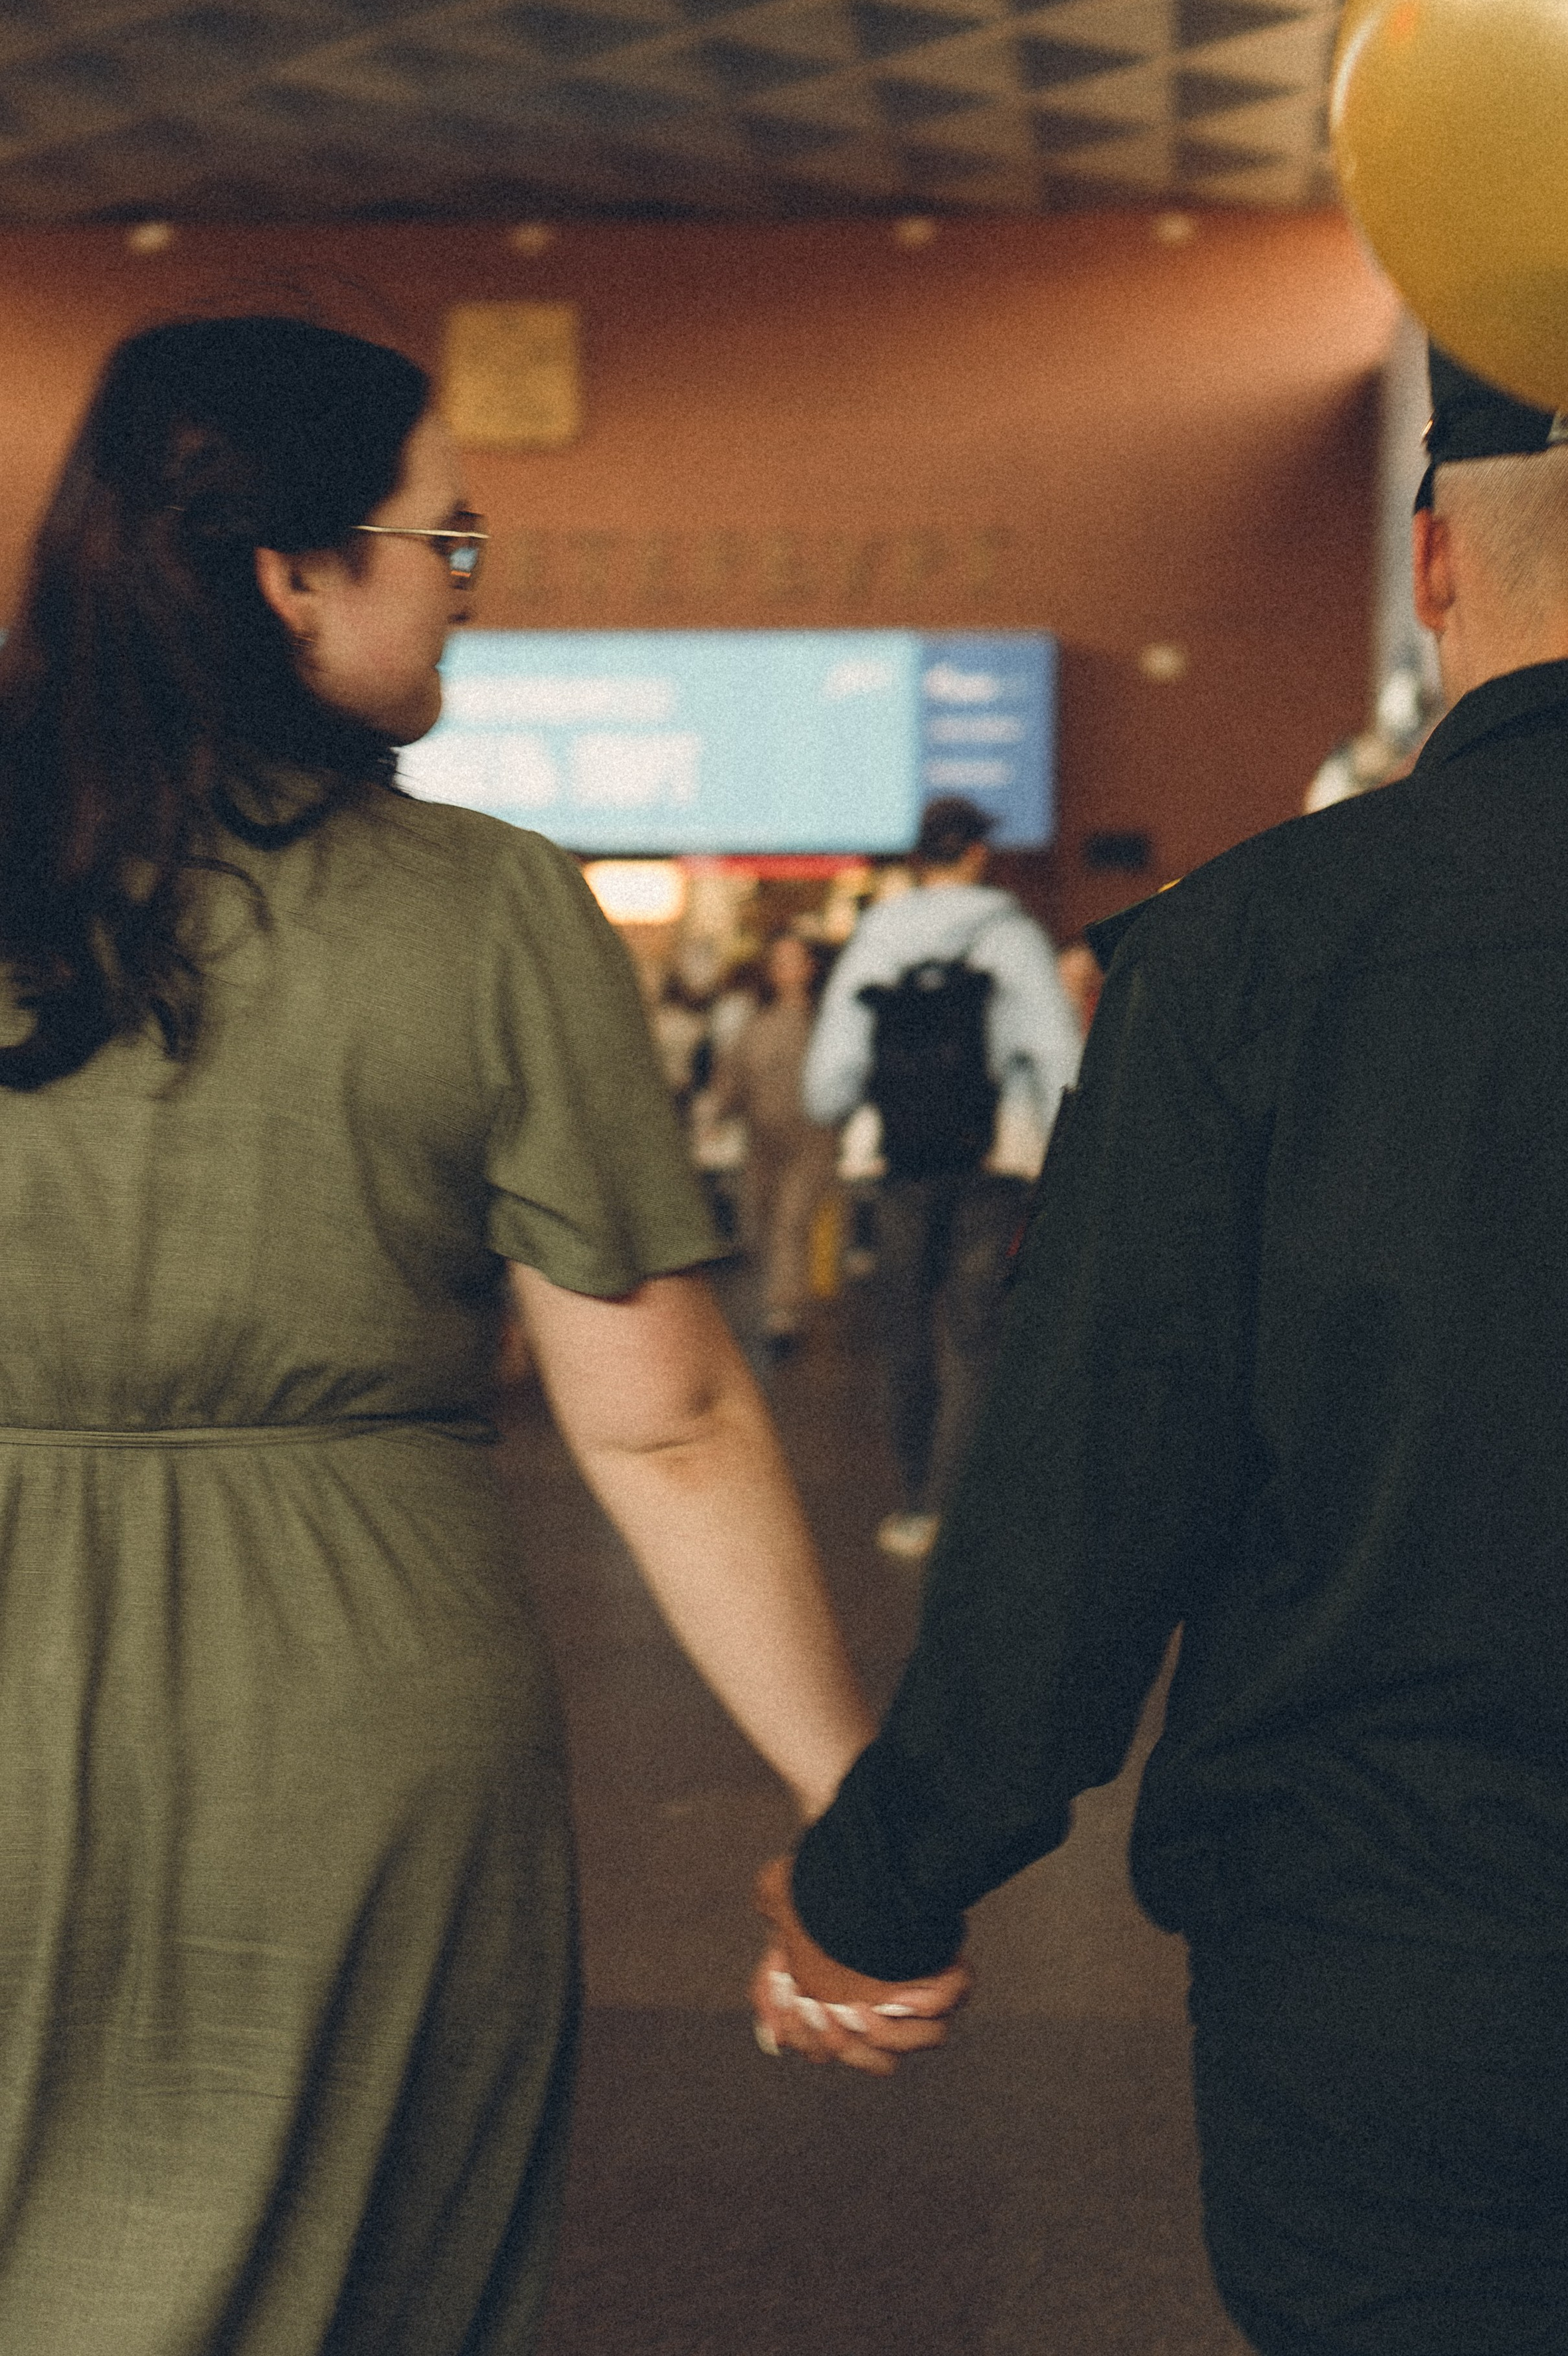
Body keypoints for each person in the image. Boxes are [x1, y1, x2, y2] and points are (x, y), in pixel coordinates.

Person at [753, 345, 1568, 2351]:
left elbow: (1093, 1486)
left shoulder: (1240, 955)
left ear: (1433, 564)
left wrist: (883, 1880)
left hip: (1385, 1977)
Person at [0, 315, 881, 2355]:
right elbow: (654, 1418)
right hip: (354, 1711)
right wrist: (861, 1804)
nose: (469, 596)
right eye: (446, 541)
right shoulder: (487, 909)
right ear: (289, 569)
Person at [803, 795, 1081, 1559]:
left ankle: (913, 1496)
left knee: (905, 1331)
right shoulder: (1012, 937)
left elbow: (826, 1081)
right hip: (992, 1163)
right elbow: (1058, 1056)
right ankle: (951, 1509)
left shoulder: (877, 935)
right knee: (973, 1331)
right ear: (978, 855)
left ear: (920, 857)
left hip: (897, 1163)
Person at [709, 931, 837, 1354]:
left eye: (793, 961)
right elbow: (732, 1081)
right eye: (777, 961)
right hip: (762, 1143)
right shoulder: (756, 1025)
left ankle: (784, 1311)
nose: (785, 970)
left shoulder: (828, 1024)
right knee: (760, 1223)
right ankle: (783, 1300)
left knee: (790, 1219)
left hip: (813, 1139)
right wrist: (714, 1114)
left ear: (810, 968)